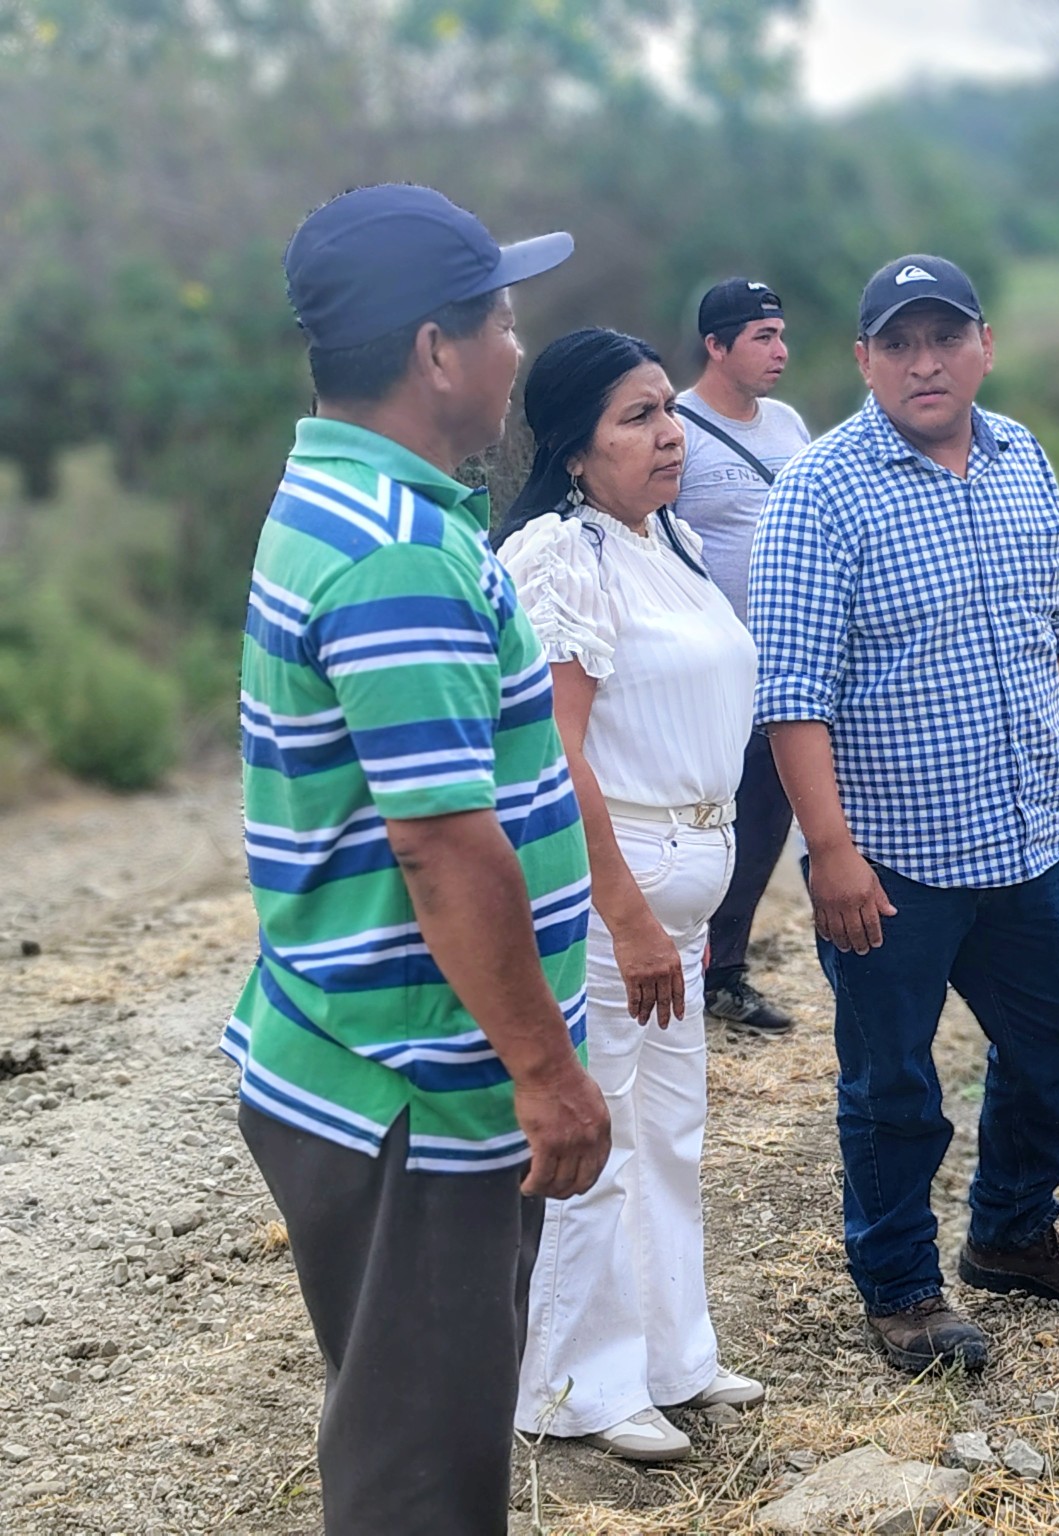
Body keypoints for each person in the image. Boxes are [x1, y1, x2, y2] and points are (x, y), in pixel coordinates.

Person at [226, 184, 608, 1536]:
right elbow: (443, 846)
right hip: (419, 1092)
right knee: (422, 1483)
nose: (517, 349)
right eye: (501, 322)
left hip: (370, 1057)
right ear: (437, 350)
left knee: (418, 1430)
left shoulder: (359, 503)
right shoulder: (396, 556)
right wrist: (545, 1074)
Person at [749, 254, 1059, 1375]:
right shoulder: (819, 493)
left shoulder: (1022, 458)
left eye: (944, 338)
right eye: (899, 344)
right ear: (864, 360)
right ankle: (901, 1290)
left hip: (1024, 838)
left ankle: (1011, 1232)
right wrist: (829, 852)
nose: (924, 363)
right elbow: (792, 696)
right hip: (891, 861)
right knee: (893, 1087)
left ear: (984, 346)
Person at [496, 328, 764, 1460]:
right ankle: (577, 1386)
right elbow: (557, 755)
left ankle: (671, 1355)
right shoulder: (563, 556)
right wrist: (626, 910)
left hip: (688, 872)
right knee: (600, 1127)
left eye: (668, 410)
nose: (669, 435)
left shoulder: (674, 542)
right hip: (618, 885)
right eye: (636, 418)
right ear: (574, 448)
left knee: (671, 1129)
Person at [670, 277, 811, 1037]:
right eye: (763, 337)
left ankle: (723, 975)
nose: (780, 350)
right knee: (697, 825)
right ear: (716, 346)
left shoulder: (788, 425)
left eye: (781, 335)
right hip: (706, 672)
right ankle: (670, 969)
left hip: (783, 666)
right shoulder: (676, 426)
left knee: (762, 825)